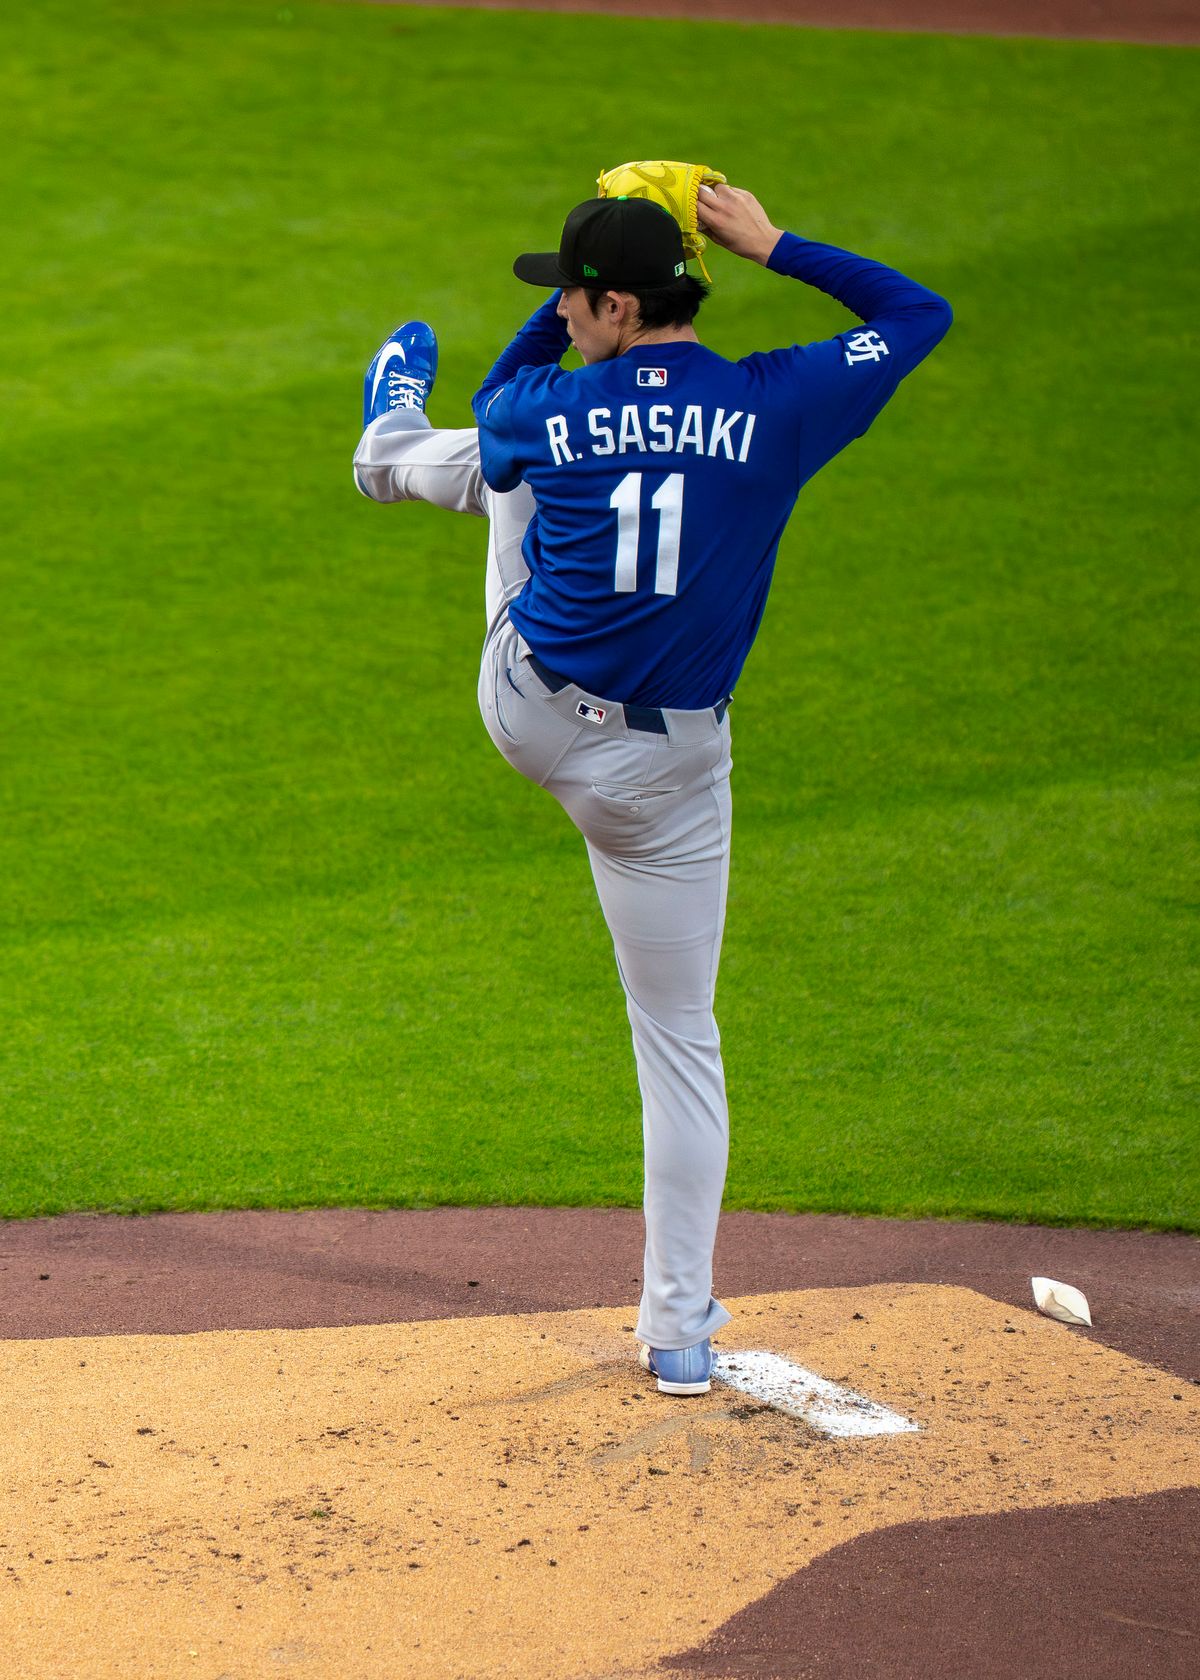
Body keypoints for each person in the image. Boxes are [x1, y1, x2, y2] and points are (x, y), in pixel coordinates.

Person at [353, 184, 952, 1395]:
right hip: (671, 776)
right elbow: (916, 310)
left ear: (616, 304)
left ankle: (384, 451)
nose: (561, 315)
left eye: (570, 298)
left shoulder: (556, 402)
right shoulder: (781, 401)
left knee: (508, 476)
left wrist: (548, 362)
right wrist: (773, 244)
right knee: (680, 1037)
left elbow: (505, 407)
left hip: (527, 712)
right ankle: (677, 1332)